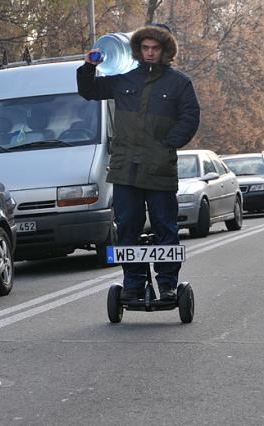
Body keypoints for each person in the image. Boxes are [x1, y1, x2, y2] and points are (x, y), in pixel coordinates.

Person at [76, 23, 200, 302]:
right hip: (125, 170)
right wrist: (87, 66)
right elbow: (89, 91)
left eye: (155, 48)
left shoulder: (179, 83)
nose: (150, 53)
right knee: (128, 226)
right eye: (145, 48)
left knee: (165, 228)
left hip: (159, 169)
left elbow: (190, 117)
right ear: (138, 50)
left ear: (165, 51)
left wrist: (167, 144)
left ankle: (167, 284)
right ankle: (133, 283)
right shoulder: (125, 80)